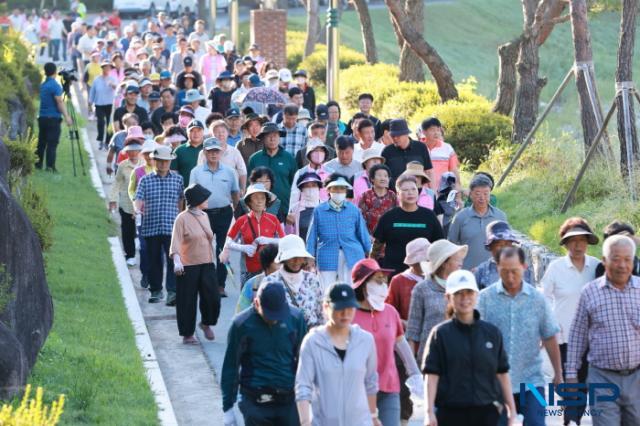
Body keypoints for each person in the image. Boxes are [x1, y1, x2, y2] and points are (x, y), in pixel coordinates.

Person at [477, 247, 562, 426]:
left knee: (536, 423)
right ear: (497, 267)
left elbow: (549, 336)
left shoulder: (537, 300)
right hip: (494, 383)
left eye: (514, 271)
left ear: (524, 267)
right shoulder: (484, 299)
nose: (510, 277)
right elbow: (474, 337)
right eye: (504, 271)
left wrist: (558, 373)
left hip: (531, 380)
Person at [423, 270, 517, 426]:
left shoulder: (491, 333)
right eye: (458, 293)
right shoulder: (440, 334)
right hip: (450, 413)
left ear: (476, 295)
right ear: (448, 297)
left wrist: (511, 411)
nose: (464, 298)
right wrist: (429, 412)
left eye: (469, 292)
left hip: (486, 413)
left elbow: (502, 373)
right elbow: (432, 375)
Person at [566, 235, 640, 426]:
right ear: (605, 261)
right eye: (616, 259)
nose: (622, 265)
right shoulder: (589, 292)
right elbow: (577, 336)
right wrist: (571, 374)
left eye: (627, 259)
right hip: (603, 378)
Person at [221, 281, 307, 426]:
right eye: (269, 315)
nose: (274, 320)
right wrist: (227, 407)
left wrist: (308, 398)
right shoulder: (241, 324)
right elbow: (231, 366)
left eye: (278, 314)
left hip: (288, 399)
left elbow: (305, 361)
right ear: (256, 303)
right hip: (255, 401)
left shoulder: (295, 318)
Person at [295, 283, 380, 426]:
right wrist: (304, 422)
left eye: (350, 308)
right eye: (339, 308)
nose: (345, 314)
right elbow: (303, 386)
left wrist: (373, 417)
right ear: (326, 307)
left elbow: (370, 381)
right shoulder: (312, 342)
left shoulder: (365, 340)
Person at [541, 217, 599, 425]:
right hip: (563, 337)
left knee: (582, 384)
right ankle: (570, 419)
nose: (578, 245)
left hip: (591, 338)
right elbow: (544, 298)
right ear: (565, 243)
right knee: (568, 385)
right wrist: (546, 328)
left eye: (582, 240)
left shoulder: (596, 267)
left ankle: (571, 418)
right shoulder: (556, 268)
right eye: (573, 240)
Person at [351, 258, 423, 426]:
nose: (383, 285)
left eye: (384, 281)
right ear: (363, 285)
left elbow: (401, 343)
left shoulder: (390, 312)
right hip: (357, 391)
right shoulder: (349, 314)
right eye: (378, 281)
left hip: (388, 388)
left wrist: (415, 375)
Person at [385, 237, 429, 424]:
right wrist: (406, 323)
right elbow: (389, 310)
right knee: (405, 387)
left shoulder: (436, 280)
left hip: (430, 342)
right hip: (406, 343)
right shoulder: (399, 281)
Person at [189, 137, 240, 297]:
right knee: (202, 249)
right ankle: (203, 283)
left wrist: (234, 210)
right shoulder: (196, 172)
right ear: (204, 152)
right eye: (210, 151)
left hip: (224, 213)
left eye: (216, 151)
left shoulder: (230, 172)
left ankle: (220, 285)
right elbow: (191, 195)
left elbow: (235, 193)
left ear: (221, 152)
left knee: (222, 249)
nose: (213, 154)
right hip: (203, 215)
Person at [170, 184, 220, 344]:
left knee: (213, 297)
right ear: (197, 200)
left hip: (207, 263)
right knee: (186, 300)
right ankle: (187, 334)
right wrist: (177, 262)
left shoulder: (204, 216)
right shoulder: (182, 219)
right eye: (205, 198)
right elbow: (175, 244)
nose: (207, 200)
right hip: (188, 265)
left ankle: (206, 323)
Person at [135, 145, 184, 305]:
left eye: (166, 161)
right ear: (154, 161)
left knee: (173, 260)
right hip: (151, 226)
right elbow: (139, 198)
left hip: (172, 226)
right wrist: (137, 210)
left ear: (170, 162)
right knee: (154, 260)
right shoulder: (145, 180)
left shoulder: (178, 179)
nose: (163, 164)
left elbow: (181, 201)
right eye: (160, 161)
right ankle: (156, 290)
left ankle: (172, 292)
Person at [306, 175, 371, 290]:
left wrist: (369, 252)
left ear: (346, 191)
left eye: (342, 188)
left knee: (351, 288)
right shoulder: (319, 210)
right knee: (326, 289)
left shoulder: (353, 209)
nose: (339, 191)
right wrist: (309, 257)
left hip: (352, 254)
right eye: (335, 188)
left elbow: (362, 232)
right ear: (328, 190)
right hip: (327, 254)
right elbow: (312, 235)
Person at [406, 239, 467, 361]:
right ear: (444, 263)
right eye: (456, 259)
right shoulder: (422, 289)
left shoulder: (464, 287)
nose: (461, 263)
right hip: (430, 358)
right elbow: (413, 329)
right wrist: (412, 368)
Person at [372, 174, 445, 274]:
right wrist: (372, 268)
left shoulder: (429, 216)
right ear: (397, 194)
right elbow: (376, 247)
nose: (410, 193)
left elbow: (439, 245)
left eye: (413, 189)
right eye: (405, 190)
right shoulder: (388, 217)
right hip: (393, 274)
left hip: (422, 274)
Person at [219, 184, 285, 283]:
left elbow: (284, 241)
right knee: (247, 297)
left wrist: (268, 240)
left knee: (267, 297)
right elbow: (229, 242)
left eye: (262, 198)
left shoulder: (273, 219)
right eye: (256, 198)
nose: (259, 201)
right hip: (247, 270)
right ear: (249, 201)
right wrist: (243, 247)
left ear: (266, 201)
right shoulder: (242, 221)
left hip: (270, 268)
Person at [262, 235, 324, 328]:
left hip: (310, 335)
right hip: (283, 336)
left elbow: (321, 312)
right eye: (292, 257)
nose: (296, 261)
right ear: (283, 258)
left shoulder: (312, 280)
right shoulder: (271, 281)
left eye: (300, 256)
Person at [448, 173, 507, 270]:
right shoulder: (460, 217)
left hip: (493, 274)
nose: (482, 197)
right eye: (478, 193)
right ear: (470, 195)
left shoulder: (500, 217)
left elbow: (507, 246)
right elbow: (450, 246)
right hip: (467, 275)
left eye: (486, 193)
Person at [247, 122, 297, 217]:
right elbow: (249, 185)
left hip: (284, 208)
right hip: (259, 208)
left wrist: (292, 209)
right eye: (268, 136)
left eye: (275, 135)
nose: (272, 138)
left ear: (279, 137)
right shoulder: (255, 158)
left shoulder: (289, 158)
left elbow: (294, 185)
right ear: (263, 139)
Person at [109, 138, 144, 267]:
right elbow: (117, 182)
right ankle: (130, 254)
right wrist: (112, 199)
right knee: (127, 229)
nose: (133, 153)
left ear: (139, 151)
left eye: (135, 150)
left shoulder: (145, 164)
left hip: (142, 204)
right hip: (126, 203)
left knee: (143, 229)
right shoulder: (123, 165)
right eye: (130, 151)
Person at [473, 220, 533, 289]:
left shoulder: (524, 269)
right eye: (499, 244)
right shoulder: (481, 272)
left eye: (507, 244)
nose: (504, 248)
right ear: (490, 246)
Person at [37, 62, 72, 172]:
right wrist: (67, 116)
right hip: (52, 118)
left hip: (42, 117)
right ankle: (50, 166)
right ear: (55, 72)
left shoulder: (43, 85)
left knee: (41, 142)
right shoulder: (55, 86)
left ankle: (38, 164)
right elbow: (59, 102)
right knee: (52, 143)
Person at [381, 119, 433, 189]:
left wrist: (433, 192)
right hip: (395, 195)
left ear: (406, 134)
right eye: (393, 136)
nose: (395, 138)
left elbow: (428, 171)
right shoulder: (387, 151)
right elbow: (383, 175)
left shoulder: (421, 147)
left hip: (417, 193)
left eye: (398, 136)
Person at [288, 138, 331, 214]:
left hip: (326, 212)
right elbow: (294, 197)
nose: (318, 153)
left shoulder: (330, 173)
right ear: (309, 154)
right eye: (315, 150)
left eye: (321, 151)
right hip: (304, 213)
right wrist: (292, 213)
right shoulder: (301, 173)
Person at [418, 117, 461, 192]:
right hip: (422, 191)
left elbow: (454, 171)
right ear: (424, 132)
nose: (436, 133)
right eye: (432, 130)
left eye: (438, 130)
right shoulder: (417, 147)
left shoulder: (447, 148)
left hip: (443, 191)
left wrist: (458, 195)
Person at [235, 243, 279, 313]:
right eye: (278, 262)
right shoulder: (252, 284)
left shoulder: (287, 281)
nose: (282, 266)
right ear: (267, 264)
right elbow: (240, 312)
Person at [358, 163, 398, 236]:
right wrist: (367, 236)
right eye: (379, 175)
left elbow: (397, 216)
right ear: (372, 178)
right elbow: (360, 218)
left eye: (386, 176)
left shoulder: (392, 195)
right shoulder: (365, 195)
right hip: (370, 237)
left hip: (389, 236)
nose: (383, 178)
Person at [88, 60, 117, 149]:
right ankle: (100, 140)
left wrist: (113, 86)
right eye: (105, 67)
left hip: (110, 104)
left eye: (109, 67)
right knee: (101, 122)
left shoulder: (112, 79)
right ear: (102, 68)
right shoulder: (97, 79)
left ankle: (108, 142)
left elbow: (117, 88)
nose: (107, 69)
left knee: (109, 124)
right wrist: (90, 103)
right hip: (99, 104)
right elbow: (92, 91)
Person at [287, 172, 322, 240]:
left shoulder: (326, 207)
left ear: (319, 188)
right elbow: (288, 234)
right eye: (307, 186)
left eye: (314, 185)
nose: (311, 188)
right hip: (300, 248)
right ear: (301, 189)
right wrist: (288, 224)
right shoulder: (294, 208)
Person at [171, 119, 204, 187]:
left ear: (203, 132)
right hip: (184, 192)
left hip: (207, 191)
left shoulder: (209, 149)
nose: (196, 133)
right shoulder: (179, 150)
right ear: (187, 132)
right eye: (192, 131)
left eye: (199, 130)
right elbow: (173, 173)